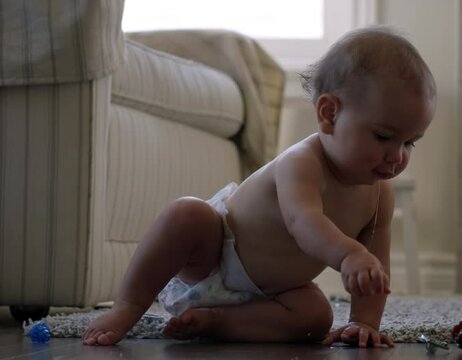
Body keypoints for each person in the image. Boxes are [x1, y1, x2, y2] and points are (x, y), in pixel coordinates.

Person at [82, 26, 436, 348]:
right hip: (212, 259)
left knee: (316, 315)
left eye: (409, 143)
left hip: (273, 294)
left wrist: (364, 321)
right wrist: (349, 254)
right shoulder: (302, 163)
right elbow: (304, 224)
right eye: (384, 137)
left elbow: (377, 270)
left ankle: (219, 322)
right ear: (329, 114)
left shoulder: (379, 196)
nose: (397, 157)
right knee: (187, 214)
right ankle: (126, 307)